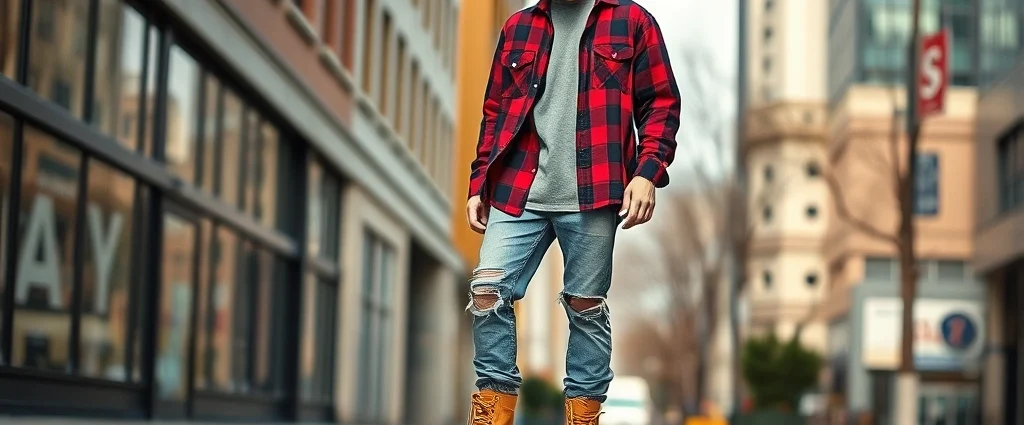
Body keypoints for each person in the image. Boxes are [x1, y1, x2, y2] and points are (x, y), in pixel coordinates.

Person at [463, 0, 680, 423]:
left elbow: (661, 104)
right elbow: (494, 115)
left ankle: (583, 415)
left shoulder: (632, 22)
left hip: (594, 191)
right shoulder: (518, 27)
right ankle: (494, 411)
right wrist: (479, 183)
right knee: (487, 291)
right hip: (518, 188)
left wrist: (647, 172)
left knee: (585, 307)